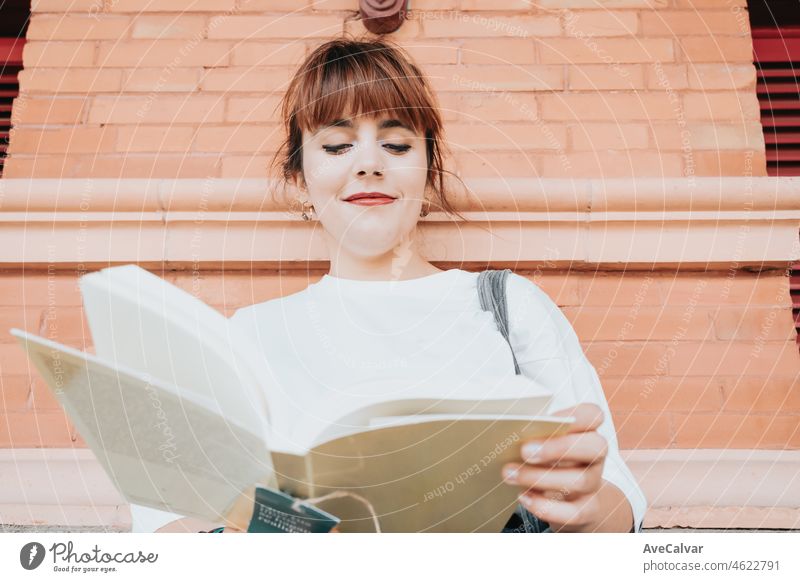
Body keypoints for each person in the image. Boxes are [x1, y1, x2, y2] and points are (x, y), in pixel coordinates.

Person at [130, 37, 647, 534]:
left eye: (396, 144)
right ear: (299, 180)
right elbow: (162, 517)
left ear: (427, 172)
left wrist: (582, 506)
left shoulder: (508, 307)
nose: (369, 163)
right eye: (336, 145)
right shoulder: (250, 336)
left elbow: (617, 501)